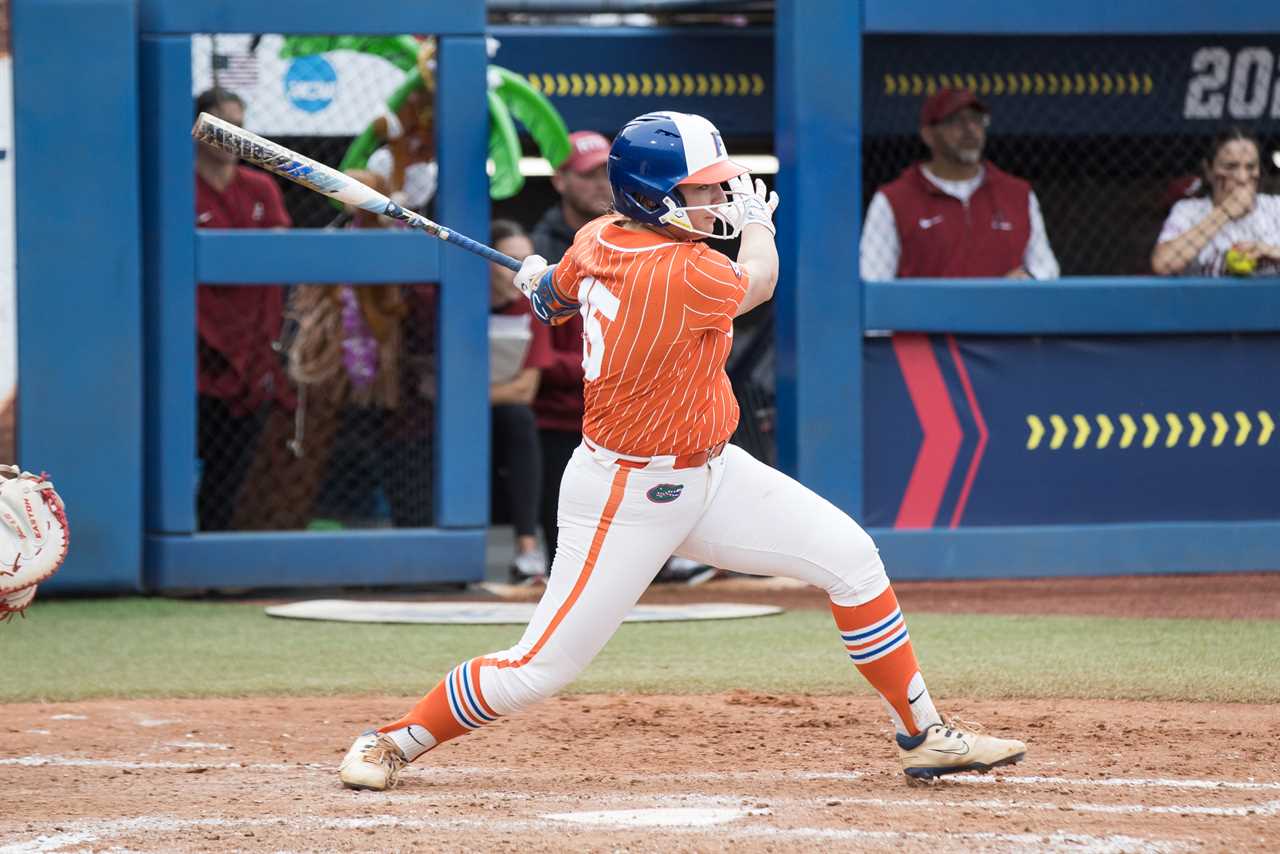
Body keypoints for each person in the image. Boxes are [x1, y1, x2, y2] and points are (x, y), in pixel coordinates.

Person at [338, 111, 1026, 790]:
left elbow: (559, 295)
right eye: (701, 190)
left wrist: (539, 283)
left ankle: (924, 732)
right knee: (540, 668)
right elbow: (758, 280)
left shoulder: (597, 236)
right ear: (651, 194)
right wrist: (759, 223)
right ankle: (392, 739)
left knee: (852, 559)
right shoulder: (684, 270)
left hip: (712, 471)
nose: (719, 200)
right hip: (624, 495)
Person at [194, 88, 295, 530]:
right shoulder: (178, 184)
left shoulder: (261, 186)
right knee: (185, 453)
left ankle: (217, 552)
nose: (233, 133)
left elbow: (280, 251)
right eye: (222, 123)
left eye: (239, 122)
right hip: (195, 345)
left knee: (230, 468)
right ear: (199, 129)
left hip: (254, 346)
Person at [860, 88, 1059, 281]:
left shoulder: (1018, 194)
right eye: (956, 121)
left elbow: (1047, 267)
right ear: (928, 135)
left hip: (1003, 314)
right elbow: (872, 279)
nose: (970, 129)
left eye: (977, 120)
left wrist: (1030, 277)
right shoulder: (894, 199)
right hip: (926, 315)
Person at [528, 132, 611, 571]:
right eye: (588, 174)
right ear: (560, 180)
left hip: (623, 408)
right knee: (570, 540)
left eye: (606, 173)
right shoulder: (541, 247)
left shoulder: (633, 236)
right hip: (559, 413)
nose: (601, 184)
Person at [489, 220, 554, 583]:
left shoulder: (532, 309)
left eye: (526, 259)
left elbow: (523, 390)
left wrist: (466, 397)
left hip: (502, 412)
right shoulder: (456, 300)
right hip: (444, 418)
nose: (518, 268)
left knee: (519, 420)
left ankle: (528, 550)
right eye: (508, 259)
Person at [1151, 128, 1280, 277]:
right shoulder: (1187, 211)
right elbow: (1162, 264)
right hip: (1207, 300)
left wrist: (1269, 251)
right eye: (1230, 167)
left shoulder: (1276, 207)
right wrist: (1224, 212)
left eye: (1250, 167)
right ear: (1209, 171)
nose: (1242, 178)